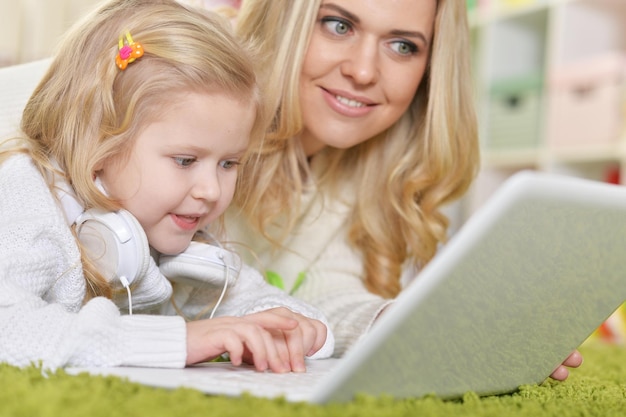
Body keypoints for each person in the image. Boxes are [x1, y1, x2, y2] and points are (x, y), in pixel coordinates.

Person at [224, 0, 582, 379]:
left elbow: (324, 294)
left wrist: (434, 327)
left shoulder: (355, 162)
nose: (362, 71)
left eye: (402, 47)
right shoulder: (188, 104)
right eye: (338, 25)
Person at [0, 0, 333, 373]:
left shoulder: (162, 221)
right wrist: (179, 341)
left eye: (228, 163)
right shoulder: (27, 197)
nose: (210, 189)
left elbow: (246, 297)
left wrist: (291, 326)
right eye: (185, 161)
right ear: (97, 141)